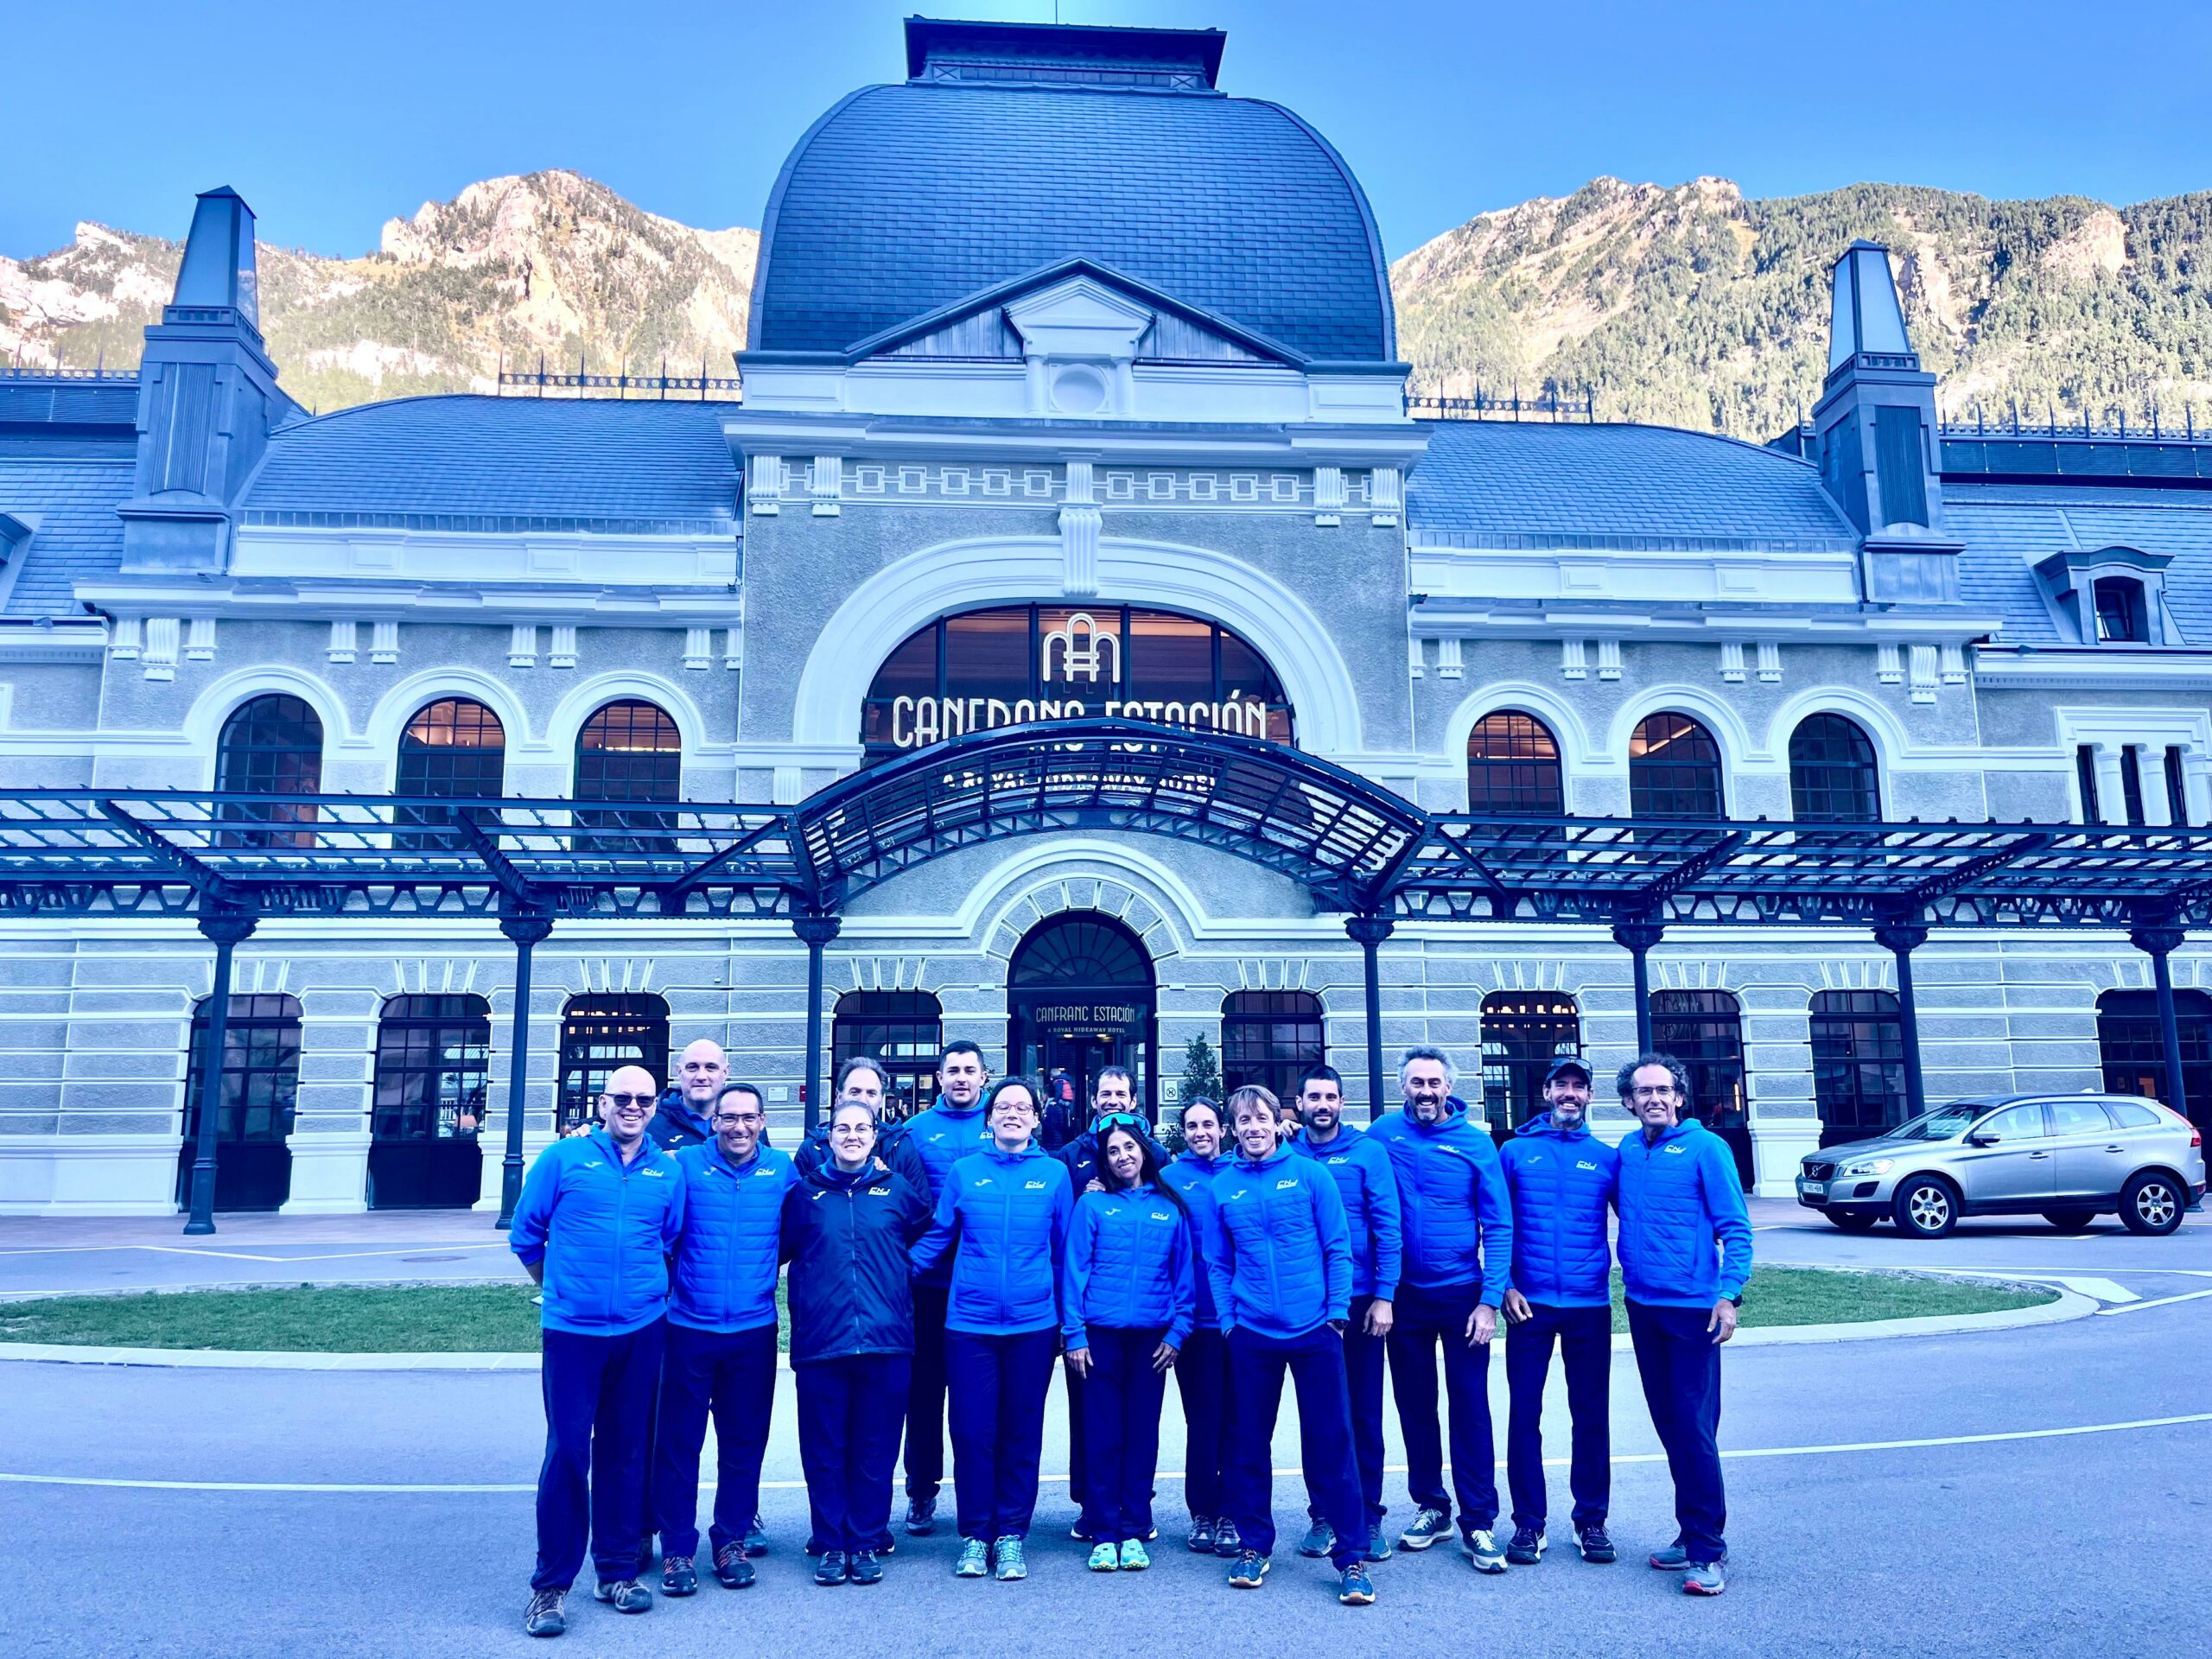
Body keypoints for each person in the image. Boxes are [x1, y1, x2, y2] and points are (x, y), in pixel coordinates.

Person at [510, 1065, 684, 1638]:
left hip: (641, 1330)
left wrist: (640, 1296)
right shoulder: (563, 1159)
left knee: (625, 1453)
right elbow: (526, 1234)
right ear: (604, 1103)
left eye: (644, 1100)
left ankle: (615, 1573)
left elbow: (668, 1240)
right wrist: (559, 1288)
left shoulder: (667, 1170)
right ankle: (549, 1588)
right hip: (573, 1332)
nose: (633, 1108)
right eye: (623, 1098)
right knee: (566, 1456)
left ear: (656, 1107)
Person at [1209, 1085, 1376, 1607]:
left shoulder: (1310, 1174)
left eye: (1261, 1118)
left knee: (1332, 1444)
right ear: (1232, 1129)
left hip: (1314, 1332)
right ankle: (1255, 1546)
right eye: (1243, 1121)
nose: (1253, 1127)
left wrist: (1336, 1314)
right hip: (1252, 1334)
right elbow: (1218, 1262)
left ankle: (1351, 1558)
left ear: (1277, 1121)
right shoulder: (1224, 1185)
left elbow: (1337, 1248)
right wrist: (1231, 1322)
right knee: (1249, 1445)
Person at [910, 1074, 1073, 1581]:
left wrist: (1072, 1326)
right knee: (973, 1431)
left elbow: (1066, 1255)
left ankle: (1011, 1536)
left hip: (1033, 1326)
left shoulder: (1053, 1175)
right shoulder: (964, 1172)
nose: (1013, 1114)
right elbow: (937, 1239)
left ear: (1035, 1119)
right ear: (990, 1116)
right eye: (1004, 1106)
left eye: (1023, 1108)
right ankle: (976, 1534)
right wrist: (885, 1273)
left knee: (1021, 1433)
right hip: (969, 1327)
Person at [1367, 1046, 1516, 1571]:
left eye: (1434, 1083)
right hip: (1404, 1297)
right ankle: (1432, 1505)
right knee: (1414, 1407)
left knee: (1470, 1408)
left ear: (1448, 1088)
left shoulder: (1477, 1144)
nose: (1425, 1091)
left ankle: (1479, 1521)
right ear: (1402, 1087)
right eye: (1416, 1083)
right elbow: (1337, 1162)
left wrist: (1489, 1301)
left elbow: (1499, 1226)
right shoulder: (1382, 1135)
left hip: (1461, 1296)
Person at [1614, 1052, 1752, 1599]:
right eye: (1643, 1091)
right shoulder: (1628, 1150)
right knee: (1670, 1427)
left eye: (1663, 1090)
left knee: (1695, 1430)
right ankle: (1689, 1530)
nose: (1654, 1098)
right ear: (1628, 1101)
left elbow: (1735, 1228)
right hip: (1642, 1308)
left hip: (1693, 1311)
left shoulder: (1706, 1148)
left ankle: (1708, 1551)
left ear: (1679, 1097)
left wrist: (1728, 1295)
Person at [781, 1099, 934, 1587]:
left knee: (876, 1447)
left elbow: (927, 1234)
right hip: (822, 1343)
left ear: (874, 1135)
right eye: (842, 1127)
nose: (852, 1135)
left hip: (887, 1340)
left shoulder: (897, 1190)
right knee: (824, 1448)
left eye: (861, 1128)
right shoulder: (803, 1196)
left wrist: (898, 1274)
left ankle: (866, 1539)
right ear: (828, 1136)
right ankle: (830, 1542)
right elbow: (780, 1252)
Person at [652, 1081, 797, 1595]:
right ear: (712, 1121)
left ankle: (731, 1538)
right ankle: (676, 1548)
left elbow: (794, 1237)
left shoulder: (782, 1171)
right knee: (678, 1444)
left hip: (754, 1332)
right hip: (688, 1329)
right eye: (728, 1117)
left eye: (749, 1118)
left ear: (762, 1122)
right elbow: (663, 1235)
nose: (739, 1127)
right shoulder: (686, 1166)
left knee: (743, 1443)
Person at [1498, 1057, 1618, 1567]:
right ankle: (1529, 1523)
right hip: (1528, 1306)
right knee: (1525, 1414)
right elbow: (1494, 1222)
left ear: (1589, 1097)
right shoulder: (1516, 1152)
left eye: (1579, 1086)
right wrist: (1501, 1285)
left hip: (1589, 1305)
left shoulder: (1608, 1157)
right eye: (1561, 1085)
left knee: (1590, 1416)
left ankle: (1591, 1520)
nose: (1570, 1093)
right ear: (1546, 1092)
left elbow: (1639, 1220)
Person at [1064, 1122, 1196, 1572]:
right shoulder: (1093, 1205)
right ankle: (1104, 1529)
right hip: (1099, 1336)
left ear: (1144, 1152)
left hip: (1152, 1341)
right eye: (1113, 1151)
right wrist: (1075, 1334)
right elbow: (1074, 1271)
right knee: (1101, 1434)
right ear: (1106, 1161)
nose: (1122, 1156)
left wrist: (1177, 1333)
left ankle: (1136, 1526)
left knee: (1142, 1433)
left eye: (1130, 1148)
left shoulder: (1169, 1208)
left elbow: (1184, 1278)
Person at [1287, 1064, 1402, 1562]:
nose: (1324, 1105)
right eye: (1314, 1097)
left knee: (1362, 1413)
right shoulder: (1284, 1152)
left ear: (1341, 1102)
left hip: (1359, 1303)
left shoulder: (1367, 1153)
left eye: (1331, 1096)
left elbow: (1388, 1227)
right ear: (1300, 1103)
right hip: (1307, 1305)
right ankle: (1323, 1515)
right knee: (1318, 1417)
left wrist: (1384, 1295)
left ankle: (1369, 1515)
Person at [1056, 1065, 1169, 1541]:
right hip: (1092, 1307)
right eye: (1105, 1093)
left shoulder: (1156, 1153)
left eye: (1121, 1093)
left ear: (1134, 1099)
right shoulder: (1069, 1156)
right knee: (1090, 1417)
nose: (1113, 1100)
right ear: (1094, 1098)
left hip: (1146, 1314)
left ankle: (1133, 1505)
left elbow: (1170, 1207)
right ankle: (1092, 1504)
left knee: (1138, 1420)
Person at [893, 1040, 994, 1536]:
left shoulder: (998, 1128)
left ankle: (983, 1493)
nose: (960, 1078)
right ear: (938, 1078)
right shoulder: (914, 1131)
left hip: (980, 1286)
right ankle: (921, 1490)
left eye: (969, 1070)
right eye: (952, 1070)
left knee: (977, 1401)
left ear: (983, 1076)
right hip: (927, 1287)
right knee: (925, 1395)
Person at [1159, 1096, 1237, 1558]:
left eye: (1208, 1124)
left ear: (1222, 1129)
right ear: (1183, 1132)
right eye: (1192, 1125)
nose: (1201, 1132)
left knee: (1241, 1419)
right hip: (1193, 1322)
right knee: (1202, 1420)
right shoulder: (1169, 1179)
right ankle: (1202, 1512)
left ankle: (1232, 1511)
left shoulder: (1241, 1171)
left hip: (1241, 1321)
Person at [648, 1039, 729, 1154]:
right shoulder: (652, 1128)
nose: (701, 1076)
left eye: (711, 1067)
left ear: (725, 1072)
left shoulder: (747, 1126)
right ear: (678, 1071)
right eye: (692, 1067)